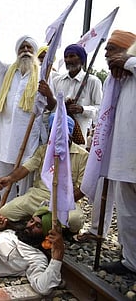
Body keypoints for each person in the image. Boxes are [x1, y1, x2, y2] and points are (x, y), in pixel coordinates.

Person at [0, 12, 55, 202]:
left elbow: (53, 106)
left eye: (29, 47)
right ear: (17, 51)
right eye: (22, 47)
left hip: (27, 138)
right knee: (3, 181)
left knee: (24, 183)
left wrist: (49, 94)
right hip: (4, 135)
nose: (25, 49)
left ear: (34, 50)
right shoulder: (6, 70)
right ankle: (4, 212)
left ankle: (19, 215)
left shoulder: (43, 75)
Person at [0, 114, 86, 234]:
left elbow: (83, 189)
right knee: (6, 212)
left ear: (70, 136)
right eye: (54, 136)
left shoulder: (83, 156)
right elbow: (25, 168)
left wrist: (59, 203)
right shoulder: (43, 150)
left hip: (65, 202)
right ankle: (41, 222)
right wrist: (9, 179)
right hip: (37, 197)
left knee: (75, 220)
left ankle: (45, 223)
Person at [97, 31, 136, 275]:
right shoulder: (119, 79)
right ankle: (131, 262)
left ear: (125, 50)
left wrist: (129, 62)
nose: (106, 54)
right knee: (127, 214)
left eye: (111, 48)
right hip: (123, 158)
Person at [52, 44, 102, 147]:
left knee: (76, 160)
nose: (68, 60)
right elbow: (53, 106)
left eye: (72, 56)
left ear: (81, 59)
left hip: (80, 135)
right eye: (66, 57)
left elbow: (100, 109)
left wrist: (82, 109)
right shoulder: (57, 81)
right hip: (58, 131)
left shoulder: (93, 81)